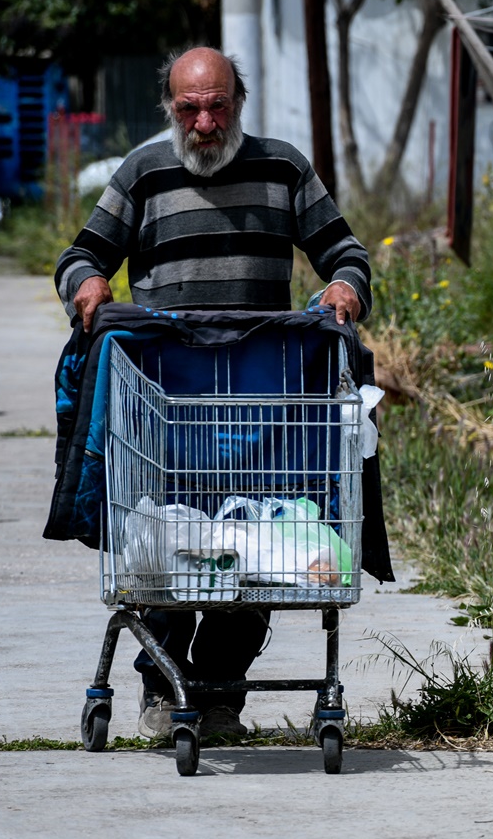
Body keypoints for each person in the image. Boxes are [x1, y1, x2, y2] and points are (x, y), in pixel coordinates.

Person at [54, 47, 373, 738]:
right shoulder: (143, 172)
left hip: (262, 406)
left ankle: (221, 692)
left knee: (259, 555)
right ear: (169, 108)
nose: (205, 122)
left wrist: (347, 286)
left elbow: (346, 253)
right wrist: (86, 286)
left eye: (217, 104)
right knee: (163, 559)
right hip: (163, 409)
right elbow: (81, 254)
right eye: (189, 107)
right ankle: (165, 690)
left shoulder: (283, 169)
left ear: (239, 101)